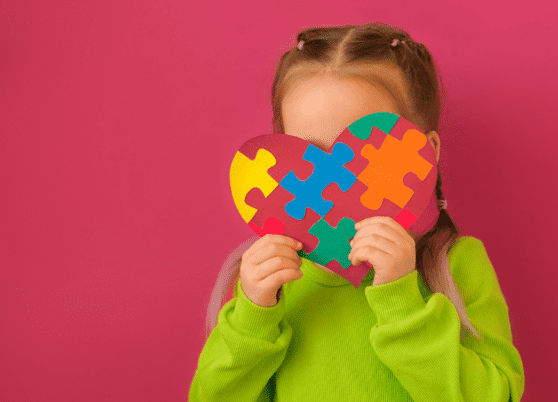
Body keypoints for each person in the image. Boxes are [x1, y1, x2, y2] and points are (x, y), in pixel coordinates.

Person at [189, 22, 524, 402]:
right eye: (311, 152)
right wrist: (252, 318)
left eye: (364, 155)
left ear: (425, 153)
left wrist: (402, 301)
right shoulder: (270, 282)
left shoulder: (457, 264)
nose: (337, 183)